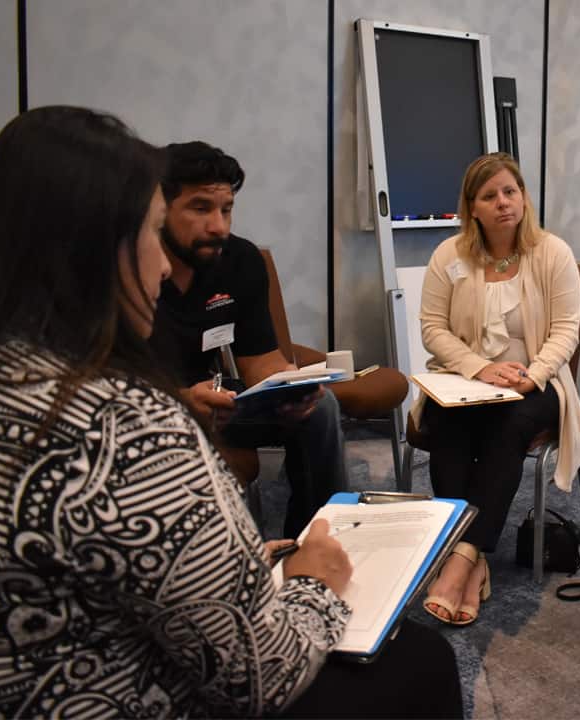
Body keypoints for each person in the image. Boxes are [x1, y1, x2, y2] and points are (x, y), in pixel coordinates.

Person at [0, 106, 461, 718]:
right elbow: (258, 674)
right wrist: (314, 582)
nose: (161, 266)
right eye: (151, 230)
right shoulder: (128, 432)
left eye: (226, 209)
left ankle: (314, 520)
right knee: (421, 660)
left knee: (318, 414)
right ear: (89, 254)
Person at [148, 141, 405, 539]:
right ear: (159, 209)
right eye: (200, 208)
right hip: (146, 407)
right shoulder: (130, 265)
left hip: (217, 399)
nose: (219, 225)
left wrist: (288, 387)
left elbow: (260, 363)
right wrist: (181, 400)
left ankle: (311, 541)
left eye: (226, 209)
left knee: (319, 409)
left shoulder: (240, 261)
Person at [415, 152, 580, 626]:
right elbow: (433, 328)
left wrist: (531, 375)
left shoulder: (552, 253)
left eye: (510, 192)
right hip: (466, 381)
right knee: (443, 421)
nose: (502, 203)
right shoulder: (448, 256)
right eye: (489, 195)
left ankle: (460, 557)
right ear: (472, 206)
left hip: (539, 381)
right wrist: (478, 368)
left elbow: (565, 332)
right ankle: (472, 562)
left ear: (524, 198)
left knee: (508, 424)